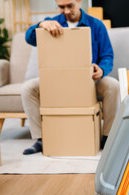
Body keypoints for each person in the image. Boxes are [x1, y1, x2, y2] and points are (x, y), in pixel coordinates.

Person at [22, 0, 120, 155]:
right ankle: (41, 139)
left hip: (90, 80)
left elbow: (107, 55)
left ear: (79, 2)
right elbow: (29, 38)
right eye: (61, 7)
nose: (66, 11)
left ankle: (107, 136)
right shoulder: (51, 23)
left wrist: (101, 69)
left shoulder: (96, 25)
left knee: (113, 85)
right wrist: (40, 25)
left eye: (70, 6)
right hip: (58, 80)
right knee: (28, 88)